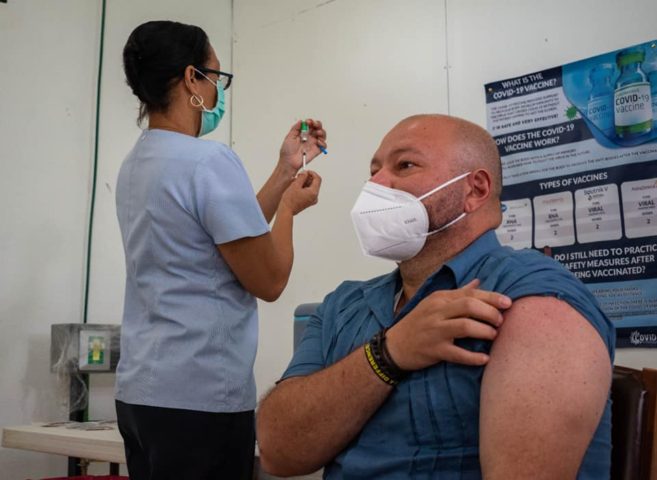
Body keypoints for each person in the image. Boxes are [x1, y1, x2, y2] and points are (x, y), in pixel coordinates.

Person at [257, 114, 614, 479]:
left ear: (475, 190)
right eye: (374, 172)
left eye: (405, 165)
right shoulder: (343, 305)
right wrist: (387, 354)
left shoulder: (531, 295)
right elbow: (278, 451)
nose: (375, 185)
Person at [114, 20, 326, 480]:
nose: (218, 92)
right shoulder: (208, 160)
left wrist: (284, 170)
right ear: (192, 78)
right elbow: (269, 279)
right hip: (200, 398)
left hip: (141, 395)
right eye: (217, 77)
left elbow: (227, 236)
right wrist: (290, 209)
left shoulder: (137, 163)